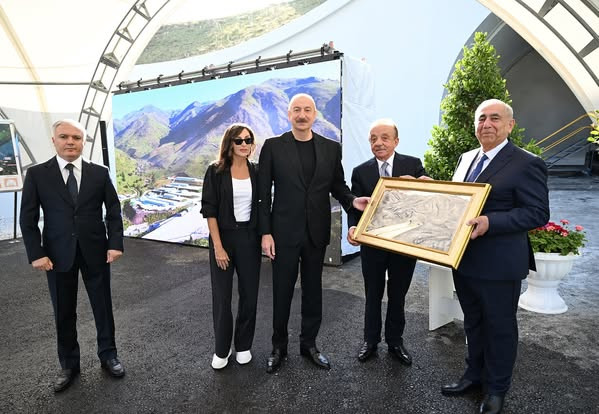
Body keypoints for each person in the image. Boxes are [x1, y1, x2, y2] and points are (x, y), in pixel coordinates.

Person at [441, 99, 549, 414]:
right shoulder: (466, 158)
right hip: (464, 260)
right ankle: (473, 376)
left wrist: (492, 222)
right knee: (473, 323)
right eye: (481, 118)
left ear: (510, 125)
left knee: (500, 328)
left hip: (500, 265)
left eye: (495, 118)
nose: (487, 124)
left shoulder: (527, 163)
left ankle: (496, 389)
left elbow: (538, 213)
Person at [258, 93, 369, 373]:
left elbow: (338, 185)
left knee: (313, 292)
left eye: (307, 110)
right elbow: (263, 194)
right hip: (283, 234)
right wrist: (265, 233)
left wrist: (352, 201)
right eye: (296, 110)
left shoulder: (331, 148)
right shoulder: (273, 147)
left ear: (315, 114)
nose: (302, 115)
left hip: (316, 233)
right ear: (289, 115)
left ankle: (309, 345)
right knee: (282, 292)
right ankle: (278, 347)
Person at [19, 119, 125, 392]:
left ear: (83, 142)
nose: (70, 142)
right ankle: (69, 365)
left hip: (96, 252)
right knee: (64, 312)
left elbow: (114, 211)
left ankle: (109, 356)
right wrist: (36, 253)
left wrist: (115, 244)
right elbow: (27, 218)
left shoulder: (99, 173)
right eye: (64, 136)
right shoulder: (37, 174)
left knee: (103, 308)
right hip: (56, 255)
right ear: (53, 140)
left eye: (76, 138)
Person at [347, 118, 428, 365]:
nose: (378, 143)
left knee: (398, 294)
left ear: (396, 141)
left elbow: (428, 195)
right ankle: (370, 341)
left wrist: (422, 184)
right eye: (373, 139)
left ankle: (395, 341)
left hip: (404, 244)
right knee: (372, 294)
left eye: (384, 138)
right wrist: (353, 227)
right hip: (373, 244)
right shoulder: (360, 171)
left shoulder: (413, 164)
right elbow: (355, 205)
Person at [200, 123, 261, 370]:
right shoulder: (215, 171)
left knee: (249, 295)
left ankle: (243, 346)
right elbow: (209, 210)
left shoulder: (257, 171)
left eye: (248, 140)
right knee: (222, 297)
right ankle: (222, 350)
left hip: (249, 239)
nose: (244, 144)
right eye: (238, 140)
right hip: (223, 239)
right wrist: (218, 246)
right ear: (229, 143)